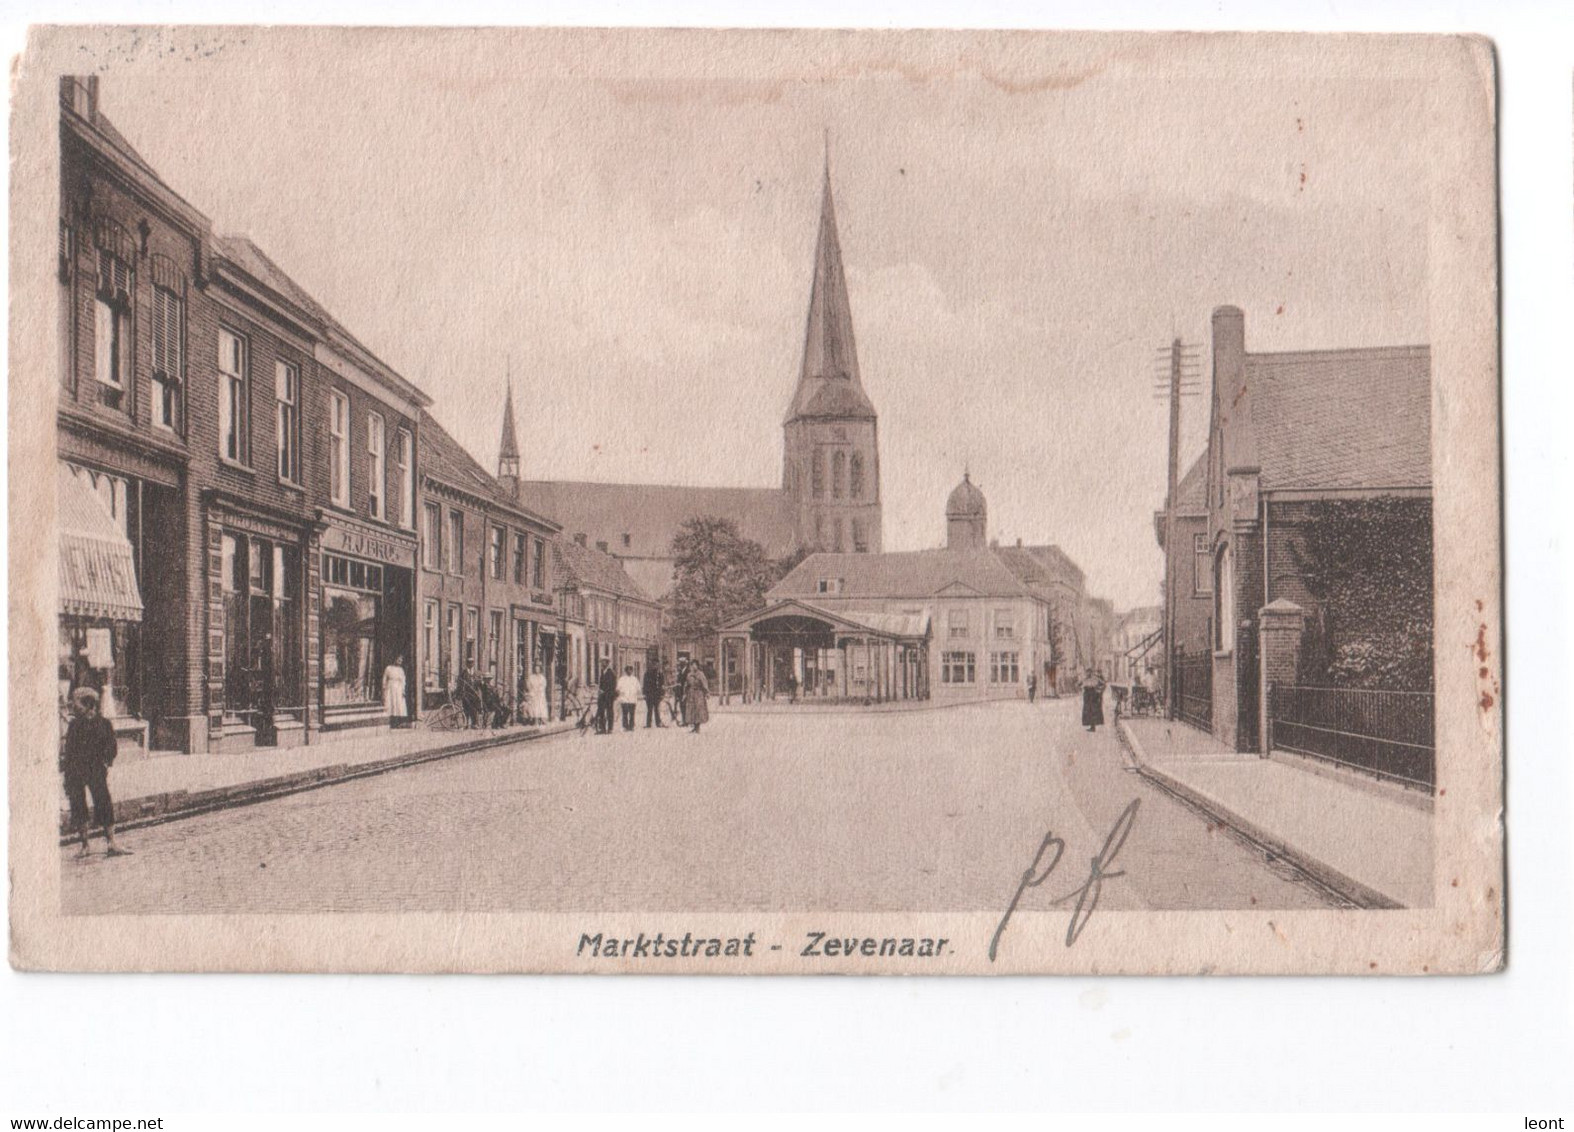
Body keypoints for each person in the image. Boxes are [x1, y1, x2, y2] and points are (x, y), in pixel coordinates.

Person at [61, 687, 129, 857]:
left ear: (89, 705)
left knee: (103, 802)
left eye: (77, 704)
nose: (74, 707)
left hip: (96, 769)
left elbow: (112, 748)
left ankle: (112, 842)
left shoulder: (104, 724)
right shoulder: (74, 725)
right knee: (78, 806)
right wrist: (67, 774)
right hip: (76, 771)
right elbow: (69, 751)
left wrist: (105, 763)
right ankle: (85, 845)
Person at [382, 654, 409, 729]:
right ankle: (391, 722)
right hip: (391, 688)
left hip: (399, 688)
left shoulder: (401, 670)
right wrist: (384, 687)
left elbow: (403, 680)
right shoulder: (389, 668)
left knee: (399, 704)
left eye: (401, 660)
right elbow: (385, 678)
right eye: (399, 660)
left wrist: (403, 689)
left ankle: (398, 722)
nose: (400, 662)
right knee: (391, 703)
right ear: (395, 659)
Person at [684, 661, 710, 734]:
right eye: (692, 665)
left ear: (697, 666)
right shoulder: (689, 675)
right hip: (691, 694)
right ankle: (694, 727)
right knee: (692, 710)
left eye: (695, 665)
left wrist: (707, 692)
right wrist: (685, 693)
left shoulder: (701, 674)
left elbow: (704, 683)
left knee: (698, 710)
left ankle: (697, 727)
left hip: (699, 694)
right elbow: (687, 684)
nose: (694, 667)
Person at [455, 662, 483, 729]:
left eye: (472, 663)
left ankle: (474, 724)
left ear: (473, 664)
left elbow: (480, 684)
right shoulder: (463, 673)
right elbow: (460, 683)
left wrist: (479, 682)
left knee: (474, 709)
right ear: (467, 664)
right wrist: (459, 693)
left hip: (474, 694)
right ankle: (466, 723)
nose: (470, 664)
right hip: (466, 694)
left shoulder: (477, 673)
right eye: (469, 663)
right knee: (466, 709)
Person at [1080, 668, 1107, 732]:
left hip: (1093, 695)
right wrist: (1081, 688)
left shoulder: (1095, 678)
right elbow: (1079, 684)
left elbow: (1103, 684)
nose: (1087, 673)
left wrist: (1099, 691)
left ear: (1091, 672)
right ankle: (1091, 726)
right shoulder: (1085, 679)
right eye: (1087, 672)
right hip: (1087, 696)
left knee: (1093, 711)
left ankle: (1093, 727)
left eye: (1089, 672)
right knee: (1088, 711)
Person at [616, 665, 641, 732]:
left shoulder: (635, 679)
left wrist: (636, 693)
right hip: (624, 699)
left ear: (632, 671)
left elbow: (638, 689)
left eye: (630, 670)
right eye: (628, 670)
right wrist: (620, 694)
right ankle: (625, 726)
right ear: (625, 671)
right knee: (625, 713)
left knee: (632, 713)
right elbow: (618, 688)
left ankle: (631, 726)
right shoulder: (622, 679)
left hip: (632, 699)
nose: (629, 671)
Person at [595, 661, 617, 735]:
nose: (601, 664)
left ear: (607, 663)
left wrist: (603, 691)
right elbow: (601, 684)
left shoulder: (611, 673)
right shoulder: (602, 672)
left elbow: (612, 686)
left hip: (609, 696)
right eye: (601, 663)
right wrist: (600, 691)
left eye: (603, 663)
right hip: (602, 696)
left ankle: (610, 728)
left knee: (609, 712)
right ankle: (602, 728)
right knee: (601, 711)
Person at [643, 662, 666, 728]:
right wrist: (645, 694)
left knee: (657, 709)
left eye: (657, 665)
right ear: (652, 665)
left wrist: (662, 694)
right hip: (649, 695)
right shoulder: (647, 674)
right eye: (654, 664)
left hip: (657, 695)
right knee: (649, 709)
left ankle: (658, 723)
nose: (655, 666)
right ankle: (648, 724)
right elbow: (645, 684)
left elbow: (662, 685)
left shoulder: (660, 674)